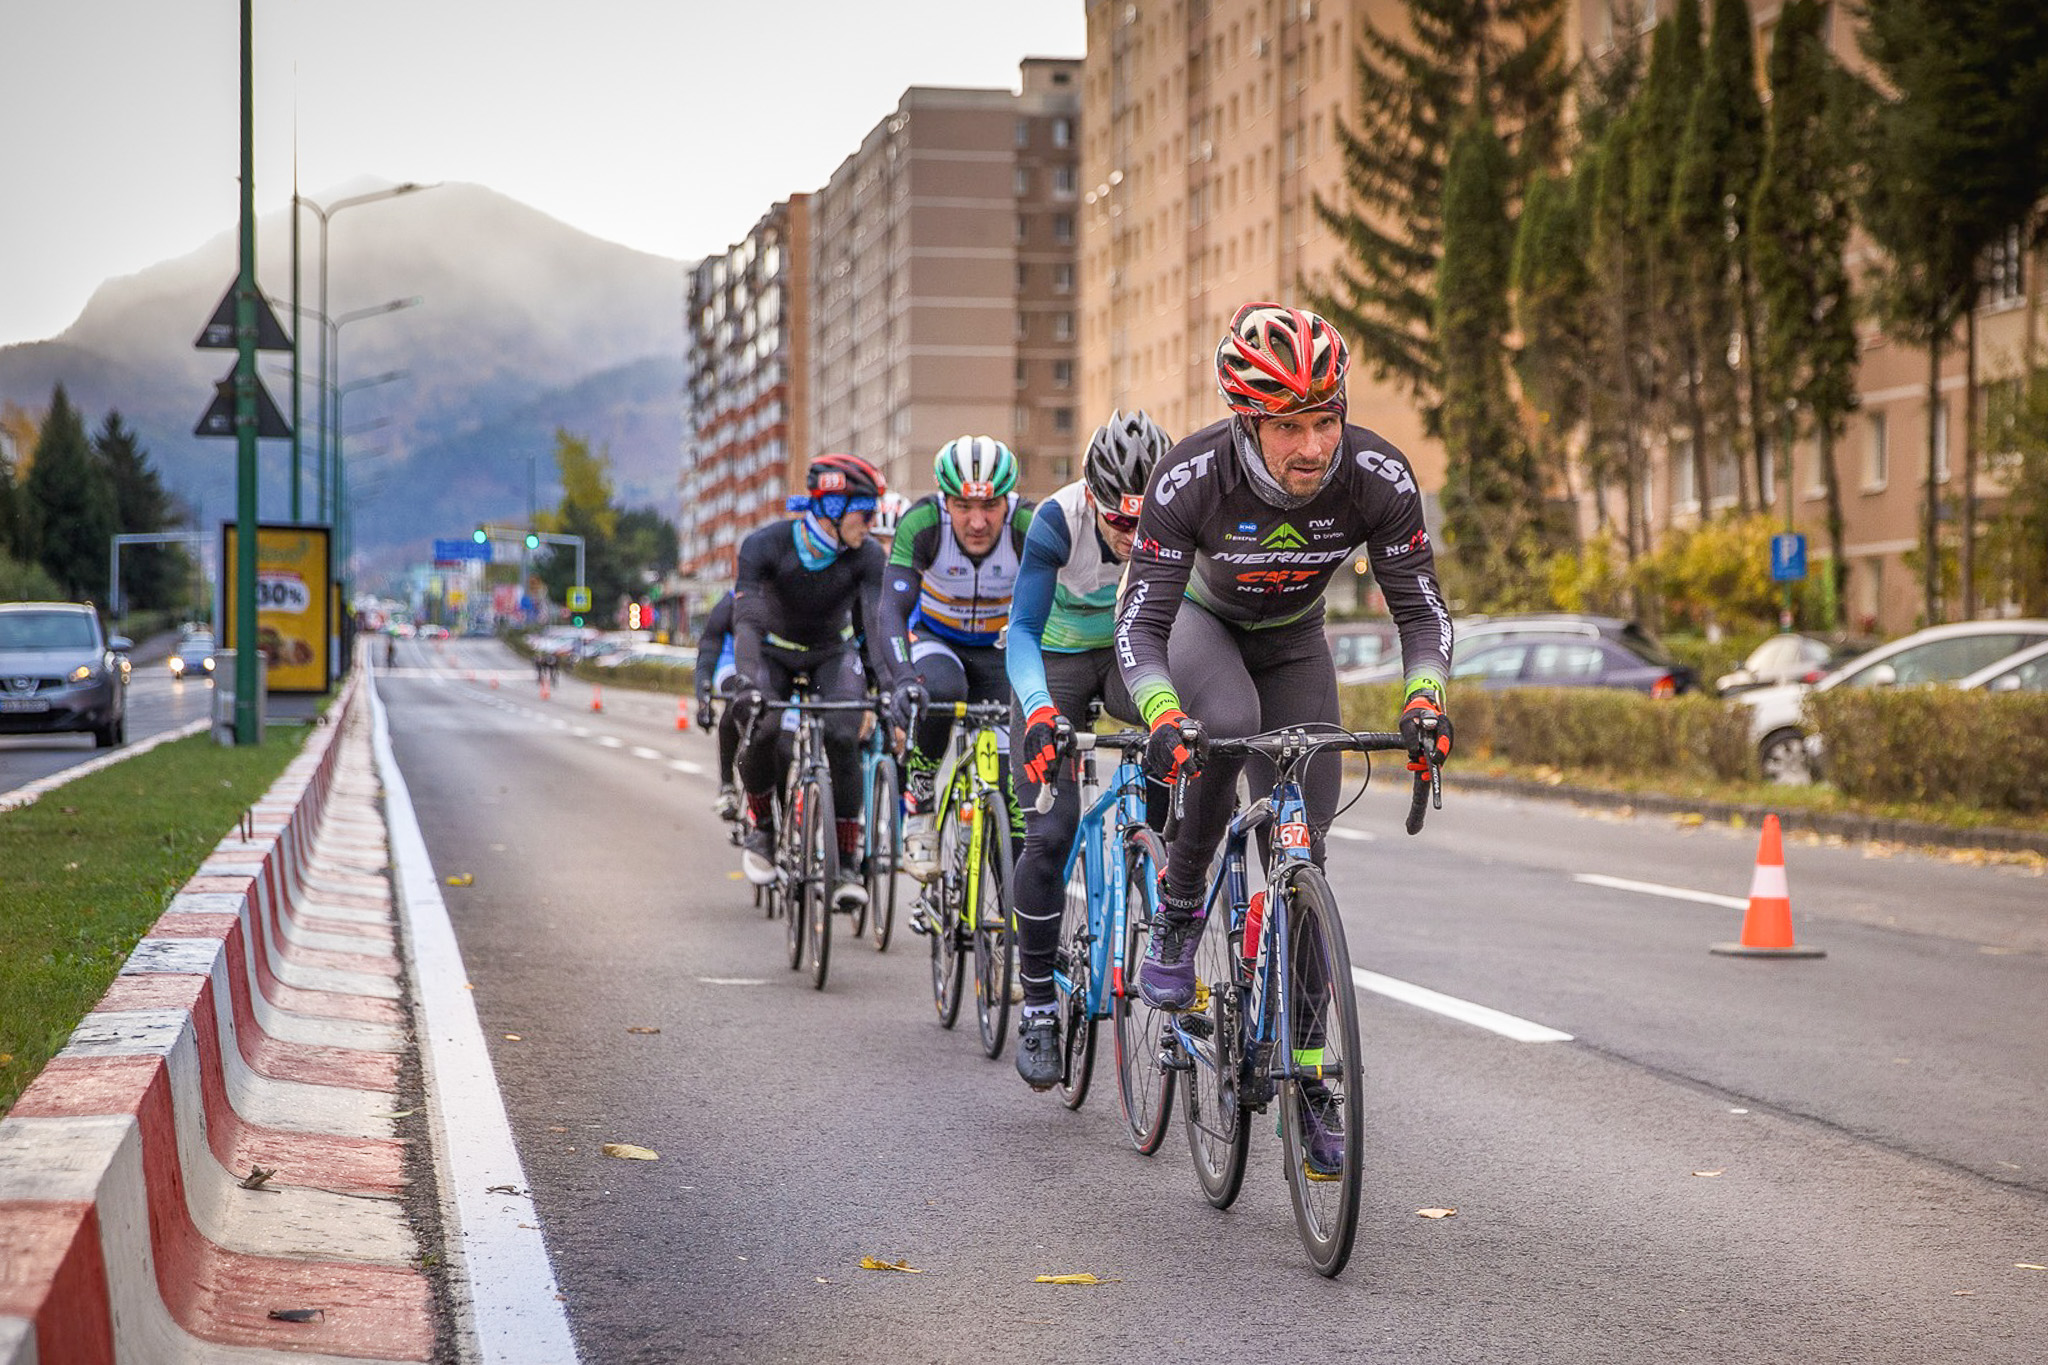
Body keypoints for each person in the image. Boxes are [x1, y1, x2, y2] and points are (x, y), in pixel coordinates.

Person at [1114, 303, 1455, 1169]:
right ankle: (1184, 910)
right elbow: (1140, 629)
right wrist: (1160, 713)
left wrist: (1423, 698)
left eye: (1327, 418)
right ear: (1246, 420)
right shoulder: (1190, 479)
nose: (1314, 446)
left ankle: (1311, 1079)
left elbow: (1422, 609)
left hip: (1296, 639)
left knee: (1305, 832)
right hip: (1201, 626)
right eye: (1290, 426)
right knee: (1223, 729)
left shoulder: (1377, 474)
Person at [1004, 409, 1172, 1089]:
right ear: (1092, 500)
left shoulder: (1176, 517)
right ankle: (1039, 1000)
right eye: (1119, 522)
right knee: (1049, 830)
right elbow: (1020, 631)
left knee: (1181, 746)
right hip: (1057, 660)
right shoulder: (1057, 520)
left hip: (1134, 658)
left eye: (1145, 522)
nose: (1134, 537)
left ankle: (1165, 897)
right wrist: (1040, 711)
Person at [729, 453, 893, 911]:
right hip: (773, 651)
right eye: (865, 513)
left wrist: (887, 687)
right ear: (833, 509)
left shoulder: (867, 556)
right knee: (761, 728)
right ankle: (762, 828)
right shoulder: (765, 546)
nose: (872, 523)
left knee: (843, 734)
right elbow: (746, 621)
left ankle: (844, 861)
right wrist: (745, 680)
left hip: (830, 653)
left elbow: (873, 631)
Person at [878, 436, 1036, 880]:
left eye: (990, 507)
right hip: (938, 641)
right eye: (963, 506)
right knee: (940, 691)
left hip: (1002, 649)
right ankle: (922, 808)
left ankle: (1012, 915)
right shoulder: (924, 523)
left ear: (1009, 501)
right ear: (945, 501)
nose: (978, 522)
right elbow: (890, 609)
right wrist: (904, 677)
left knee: (1010, 792)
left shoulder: (1028, 525)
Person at [694, 589, 742, 820]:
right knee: (737, 702)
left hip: (772, 664)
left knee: (784, 744)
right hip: (731, 664)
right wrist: (703, 698)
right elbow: (708, 650)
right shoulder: (730, 602)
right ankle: (727, 785)